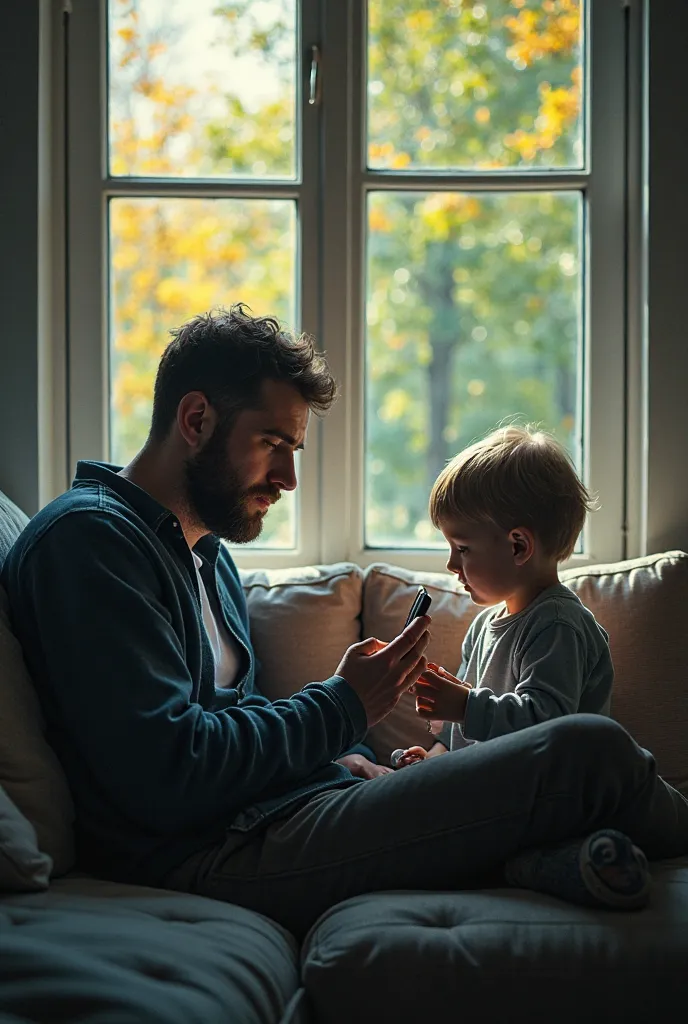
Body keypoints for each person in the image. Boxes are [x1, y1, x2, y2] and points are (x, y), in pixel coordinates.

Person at [3, 307, 687, 937]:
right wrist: (341, 704)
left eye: (294, 449)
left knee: (578, 752)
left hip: (273, 813)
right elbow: (165, 773)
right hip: (215, 852)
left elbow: (230, 727)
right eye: (273, 442)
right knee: (584, 750)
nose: (289, 478)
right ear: (196, 420)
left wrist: (337, 760)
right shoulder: (90, 544)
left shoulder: (203, 551)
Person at [395, 425, 613, 768]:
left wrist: (465, 704)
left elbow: (548, 725)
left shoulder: (557, 625)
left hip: (552, 798)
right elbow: (467, 734)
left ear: (518, 546)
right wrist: (435, 757)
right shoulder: (483, 627)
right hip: (496, 791)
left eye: (462, 548)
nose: (451, 564)